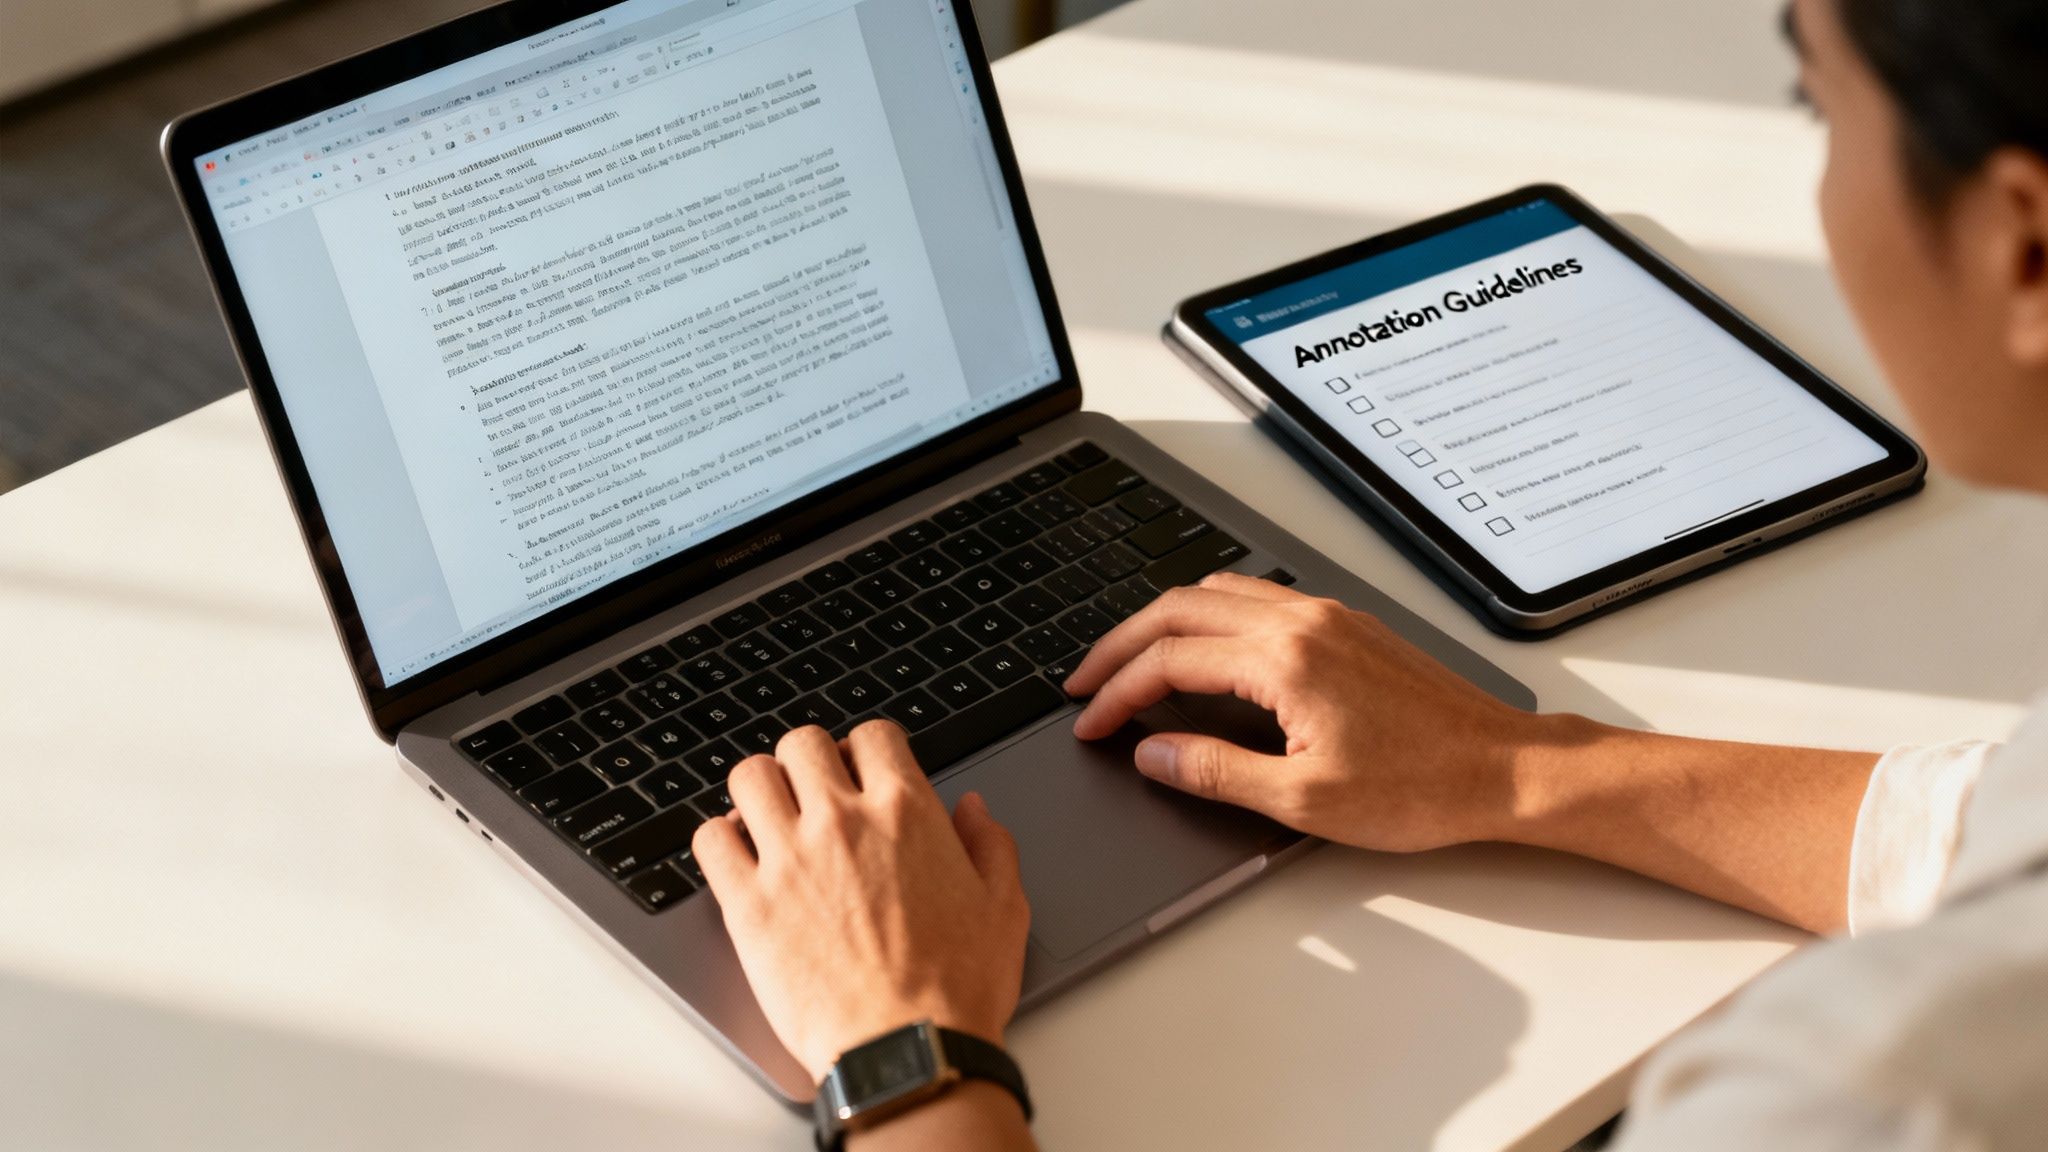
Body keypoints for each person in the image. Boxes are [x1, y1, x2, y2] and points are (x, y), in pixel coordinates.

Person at [688, 0, 2048, 1145]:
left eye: (1819, 109)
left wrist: (904, 1053)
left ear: (2023, 242)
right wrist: (1514, 769)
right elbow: (1990, 828)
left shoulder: (1870, 1091)